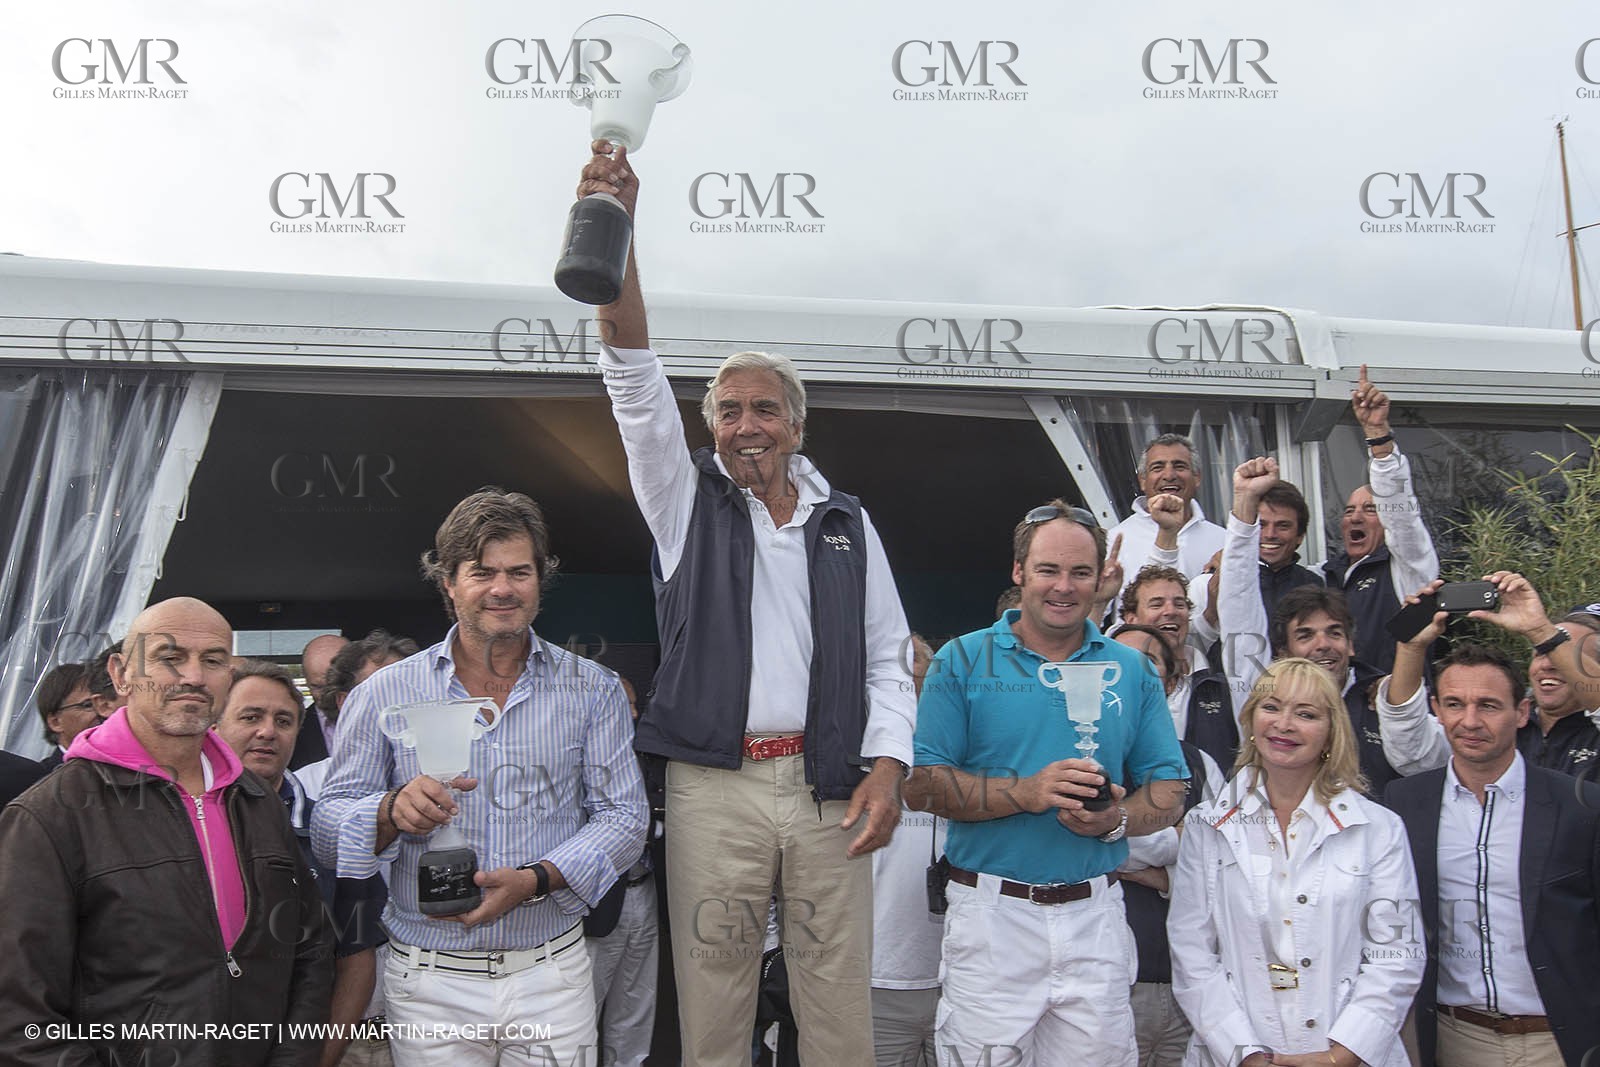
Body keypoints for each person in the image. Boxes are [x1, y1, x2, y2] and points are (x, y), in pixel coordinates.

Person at [586, 142, 916, 1067]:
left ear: (796, 424)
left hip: (830, 785)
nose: (744, 424)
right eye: (727, 410)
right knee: (716, 998)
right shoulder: (680, 499)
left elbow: (891, 656)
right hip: (712, 788)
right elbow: (632, 380)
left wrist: (888, 765)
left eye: (763, 408)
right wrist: (619, 232)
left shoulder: (847, 522)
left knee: (836, 1002)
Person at [312, 488, 649, 1067]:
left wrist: (537, 879)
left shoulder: (593, 689)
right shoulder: (381, 694)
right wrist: (390, 810)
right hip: (428, 981)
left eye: (520, 571)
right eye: (482, 572)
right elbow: (326, 826)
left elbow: (625, 816)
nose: (502, 588)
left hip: (553, 971)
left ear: (541, 580)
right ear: (448, 582)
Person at [908, 501, 1189, 1066]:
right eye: (1048, 570)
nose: (1064, 587)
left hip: (1096, 920)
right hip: (992, 921)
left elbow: (1170, 790)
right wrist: (1026, 793)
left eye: (1080, 573)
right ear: (1019, 572)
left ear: (1099, 579)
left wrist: (1118, 820)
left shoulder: (1130, 669)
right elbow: (921, 787)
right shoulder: (961, 660)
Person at [0, 597, 332, 1066]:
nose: (193, 676)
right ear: (120, 675)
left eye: (213, 660)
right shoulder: (49, 815)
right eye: (169, 658)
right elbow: (19, 1013)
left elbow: (310, 952)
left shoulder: (258, 800)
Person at [1170, 658, 1422, 1067]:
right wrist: (1247, 1055)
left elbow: (1398, 958)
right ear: (1250, 719)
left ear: (1330, 733)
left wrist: (1339, 1056)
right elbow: (1192, 957)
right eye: (1271, 708)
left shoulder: (1379, 829)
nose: (1283, 724)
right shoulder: (1207, 826)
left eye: (1305, 714)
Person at [1384, 642, 1600, 1067]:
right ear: (1436, 709)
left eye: (1488, 705)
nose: (1469, 721)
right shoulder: (1404, 804)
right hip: (1450, 1038)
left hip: (1558, 1042)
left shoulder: (1579, 806)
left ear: (1522, 712)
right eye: (1454, 704)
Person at [216, 658, 388, 1067]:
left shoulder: (333, 831)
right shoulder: (176, 823)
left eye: (284, 721)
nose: (267, 732)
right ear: (214, 725)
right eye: (251, 717)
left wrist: (320, 1057)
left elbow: (357, 956)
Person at [1219, 457, 1400, 795]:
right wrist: (1244, 508)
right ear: (1283, 652)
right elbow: (1239, 613)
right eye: (1305, 635)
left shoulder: (1380, 700)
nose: (1323, 645)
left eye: (1334, 633)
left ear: (1351, 644)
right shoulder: (1262, 695)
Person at [1110, 623, 1226, 1067]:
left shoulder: (1201, 764)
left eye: (1150, 661)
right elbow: (1071, 844)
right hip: (1109, 990)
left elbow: (1219, 863)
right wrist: (1175, 846)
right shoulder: (1077, 758)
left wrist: (1142, 867)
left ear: (1170, 680)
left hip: (1189, 991)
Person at [1320, 366, 1439, 675]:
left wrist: (1378, 438)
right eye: (1348, 511)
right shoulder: (1323, 577)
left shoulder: (1409, 571)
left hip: (1395, 712)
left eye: (1369, 510)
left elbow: (1403, 518)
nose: (1355, 517)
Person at [871, 634, 947, 1067]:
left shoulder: (970, 755)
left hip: (962, 979)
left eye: (917, 670)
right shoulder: (847, 760)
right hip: (872, 982)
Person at [585, 676, 661, 1067]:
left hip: (645, 891)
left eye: (634, 706)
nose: (631, 715)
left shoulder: (649, 758)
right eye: (623, 706)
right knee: (583, 1015)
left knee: (636, 1008)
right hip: (598, 905)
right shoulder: (579, 761)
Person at [1119, 564, 1237, 768]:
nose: (1170, 611)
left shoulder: (1224, 688)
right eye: (1156, 605)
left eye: (1179, 604)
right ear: (1132, 619)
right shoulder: (1114, 683)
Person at [1189, 480, 1323, 650]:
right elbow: (1191, 652)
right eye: (1261, 525)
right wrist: (1212, 612)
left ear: (1300, 536)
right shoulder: (1208, 583)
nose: (1270, 534)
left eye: (1283, 526)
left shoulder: (1315, 585)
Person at [1107, 433, 1226, 613]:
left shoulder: (1223, 540)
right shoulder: (1115, 539)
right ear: (1142, 480)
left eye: (1179, 466)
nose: (1169, 475)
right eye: (1158, 467)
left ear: (1197, 477)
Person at [33, 660, 107, 769]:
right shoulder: (47, 781)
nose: (104, 712)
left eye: (106, 702)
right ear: (56, 722)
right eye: (88, 705)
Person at [291, 633, 350, 770]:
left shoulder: (385, 720)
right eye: (319, 687)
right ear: (307, 682)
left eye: (338, 685)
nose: (331, 696)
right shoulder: (293, 733)